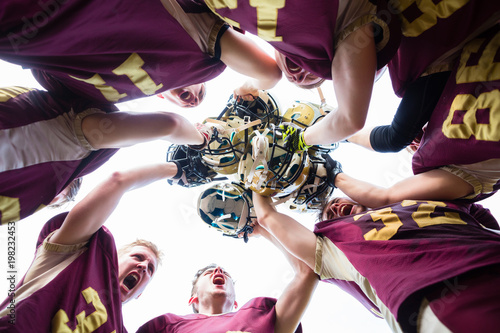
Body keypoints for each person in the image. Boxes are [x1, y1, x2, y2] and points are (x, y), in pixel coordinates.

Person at [253, 190, 500, 333]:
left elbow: (477, 212)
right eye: (330, 213)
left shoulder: (413, 202)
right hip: (437, 299)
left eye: (338, 200)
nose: (336, 206)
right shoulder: (332, 245)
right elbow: (268, 216)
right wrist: (256, 178)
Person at [0, 162, 174, 332]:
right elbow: (118, 181)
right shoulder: (75, 255)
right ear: (114, 259)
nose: (143, 266)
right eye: (137, 257)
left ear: (140, 294)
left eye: (151, 269)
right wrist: (176, 169)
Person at [0, 86, 212, 224]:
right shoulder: (66, 140)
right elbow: (169, 125)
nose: (52, 196)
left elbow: (169, 126)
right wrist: (202, 140)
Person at [0, 0, 281, 104]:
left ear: (160, 97)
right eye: (202, 92)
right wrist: (246, 87)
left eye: (193, 101)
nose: (194, 100)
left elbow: (42, 74)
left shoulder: (102, 99)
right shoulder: (203, 55)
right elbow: (269, 72)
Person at [137, 225, 318, 333]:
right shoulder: (166, 326)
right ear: (193, 298)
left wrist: (264, 228)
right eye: (208, 273)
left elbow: (307, 270)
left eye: (226, 274)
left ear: (236, 301)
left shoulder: (262, 314)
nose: (218, 270)